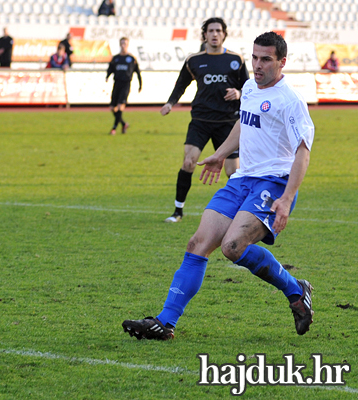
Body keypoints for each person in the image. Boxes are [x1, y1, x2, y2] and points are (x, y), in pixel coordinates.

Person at [122, 31, 315, 341]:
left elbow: (303, 152)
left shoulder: (290, 101)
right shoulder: (250, 87)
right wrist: (220, 154)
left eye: (265, 59)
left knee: (232, 247)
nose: (257, 65)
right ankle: (164, 322)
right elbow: (243, 123)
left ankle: (295, 290)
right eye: (254, 57)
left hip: (274, 182)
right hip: (243, 178)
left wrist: (287, 197)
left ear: (282, 62)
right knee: (198, 243)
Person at [161, 18, 249, 223]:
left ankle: (242, 212)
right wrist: (170, 103)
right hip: (200, 120)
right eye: (211, 31)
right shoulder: (194, 60)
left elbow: (249, 88)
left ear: (224, 34)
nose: (215, 34)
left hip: (228, 122)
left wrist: (238, 92)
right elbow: (181, 84)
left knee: (233, 171)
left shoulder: (236, 59)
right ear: (205, 35)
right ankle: (178, 211)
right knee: (189, 161)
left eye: (218, 30)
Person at [105, 37, 142, 135]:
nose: (123, 45)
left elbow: (137, 72)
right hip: (116, 83)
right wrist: (107, 76)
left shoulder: (131, 59)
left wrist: (140, 84)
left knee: (120, 106)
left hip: (126, 84)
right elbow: (110, 69)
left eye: (125, 43)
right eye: (122, 43)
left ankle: (114, 128)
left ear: (127, 45)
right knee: (113, 108)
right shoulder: (116, 58)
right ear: (119, 44)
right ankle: (124, 123)